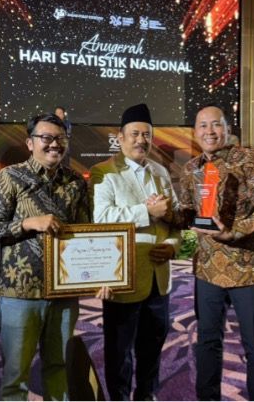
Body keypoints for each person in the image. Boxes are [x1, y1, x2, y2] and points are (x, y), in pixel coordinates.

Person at [0, 113, 90, 400]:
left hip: (64, 292)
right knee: (15, 375)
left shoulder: (76, 182)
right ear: (30, 143)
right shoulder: (10, 177)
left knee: (59, 368)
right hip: (20, 292)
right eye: (46, 138)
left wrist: (100, 276)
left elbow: (87, 234)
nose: (54, 144)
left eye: (60, 138)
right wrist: (28, 223)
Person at [178, 105, 254, 401]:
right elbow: (188, 212)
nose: (209, 131)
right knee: (207, 342)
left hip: (249, 269)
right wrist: (166, 212)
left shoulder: (251, 160)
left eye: (216, 124)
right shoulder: (191, 169)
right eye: (203, 126)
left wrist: (233, 232)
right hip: (208, 269)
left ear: (227, 128)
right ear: (195, 132)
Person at [90, 103, 180, 401]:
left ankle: (146, 394)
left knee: (153, 344)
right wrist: (146, 211)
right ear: (120, 137)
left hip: (159, 278)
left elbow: (174, 219)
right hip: (122, 277)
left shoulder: (160, 172)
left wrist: (172, 245)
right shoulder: (103, 172)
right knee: (119, 350)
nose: (141, 140)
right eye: (135, 134)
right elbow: (101, 218)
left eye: (147, 134)